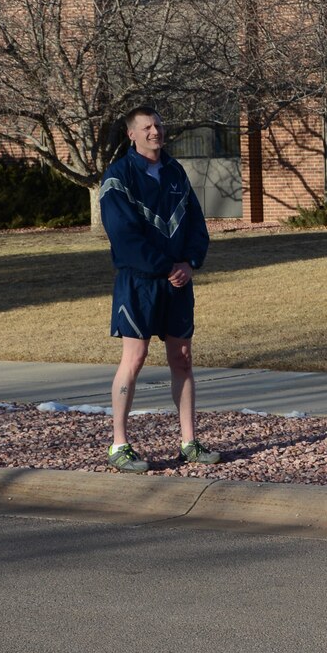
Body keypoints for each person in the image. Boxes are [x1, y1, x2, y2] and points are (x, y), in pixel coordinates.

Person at [99, 106, 218, 474]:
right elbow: (124, 235)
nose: (156, 132)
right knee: (134, 359)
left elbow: (197, 224)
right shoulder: (117, 177)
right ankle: (119, 445)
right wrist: (166, 267)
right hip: (139, 283)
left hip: (177, 284)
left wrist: (189, 263)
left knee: (182, 359)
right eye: (147, 127)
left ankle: (189, 442)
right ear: (131, 134)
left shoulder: (175, 172)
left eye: (159, 125)